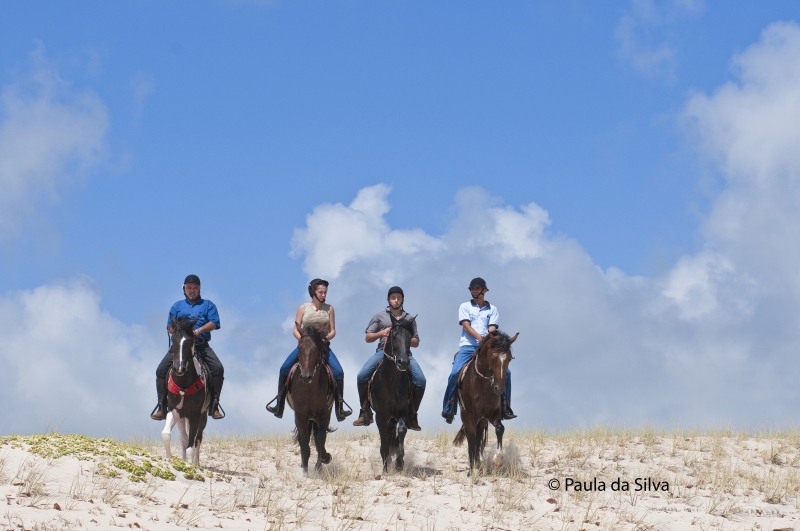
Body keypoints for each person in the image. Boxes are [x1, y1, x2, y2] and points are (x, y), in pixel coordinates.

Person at [266, 279, 351, 421]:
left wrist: (324, 339)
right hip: (305, 346)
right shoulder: (303, 308)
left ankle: (339, 408)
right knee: (284, 368)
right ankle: (279, 404)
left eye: (325, 292)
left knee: (339, 372)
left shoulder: (329, 309)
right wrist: (302, 340)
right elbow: (295, 328)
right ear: (313, 292)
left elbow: (333, 331)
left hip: (323, 346)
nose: (324, 295)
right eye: (321, 292)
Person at [151, 274, 225, 421]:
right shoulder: (176, 306)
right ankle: (162, 406)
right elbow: (169, 328)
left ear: (199, 289)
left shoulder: (208, 305)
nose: (192, 290)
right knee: (160, 370)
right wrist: (178, 330)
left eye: (195, 288)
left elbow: (214, 323)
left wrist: (199, 330)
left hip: (200, 345)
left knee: (218, 368)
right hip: (180, 346)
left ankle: (214, 405)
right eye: (189, 288)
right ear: (184, 289)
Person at [441, 277, 515, 423]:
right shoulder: (465, 306)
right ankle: (449, 407)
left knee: (507, 373)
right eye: (472, 288)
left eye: (476, 288)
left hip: (487, 347)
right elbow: (466, 326)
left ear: (484, 290)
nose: (474, 290)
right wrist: (479, 337)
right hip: (468, 346)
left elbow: (492, 328)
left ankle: (505, 407)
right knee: (455, 373)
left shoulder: (492, 309)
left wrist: (488, 338)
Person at [353, 286, 426, 431]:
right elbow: (368, 337)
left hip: (404, 355)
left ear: (402, 300)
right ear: (388, 299)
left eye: (399, 297)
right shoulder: (380, 316)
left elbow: (416, 342)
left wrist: (403, 338)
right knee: (362, 375)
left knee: (420, 380)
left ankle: (413, 414)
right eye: (393, 297)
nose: (396, 300)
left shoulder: (409, 318)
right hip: (383, 353)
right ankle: (364, 410)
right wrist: (382, 333)